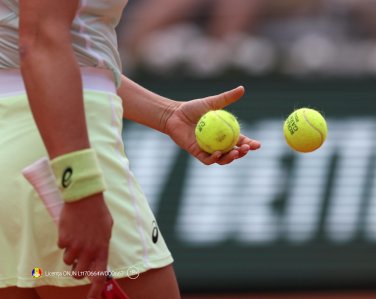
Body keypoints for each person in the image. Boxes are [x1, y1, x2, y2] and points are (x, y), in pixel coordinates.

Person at [0, 0, 261, 299]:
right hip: (59, 154)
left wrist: (166, 114)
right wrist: (79, 187)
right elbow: (42, 42)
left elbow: (47, 52)